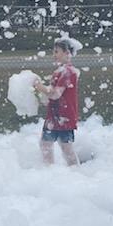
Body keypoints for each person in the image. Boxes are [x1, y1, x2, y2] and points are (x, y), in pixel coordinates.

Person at [34, 37, 81, 166]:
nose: (54, 55)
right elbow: (51, 94)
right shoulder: (59, 72)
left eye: (57, 51)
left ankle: (75, 171)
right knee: (45, 145)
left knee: (66, 148)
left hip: (64, 116)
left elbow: (55, 94)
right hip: (55, 115)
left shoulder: (68, 72)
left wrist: (39, 86)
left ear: (67, 53)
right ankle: (49, 171)